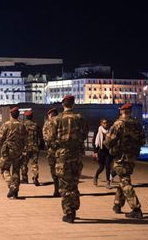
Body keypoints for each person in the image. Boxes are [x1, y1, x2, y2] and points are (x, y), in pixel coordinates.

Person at [45, 95, 88, 223]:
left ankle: (69, 212)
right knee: (74, 183)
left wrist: (58, 146)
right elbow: (85, 134)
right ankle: (74, 207)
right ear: (73, 104)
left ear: (63, 104)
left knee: (64, 184)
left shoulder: (57, 119)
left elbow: (50, 138)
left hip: (62, 156)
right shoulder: (79, 118)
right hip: (76, 155)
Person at [104, 103, 146, 219]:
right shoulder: (137, 124)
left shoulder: (118, 124)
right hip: (132, 156)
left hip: (120, 156)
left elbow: (108, 141)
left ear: (121, 112)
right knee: (124, 178)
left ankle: (136, 208)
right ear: (130, 112)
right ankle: (117, 204)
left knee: (125, 180)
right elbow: (142, 140)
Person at [0, 106, 27, 199]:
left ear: (10, 114)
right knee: (16, 170)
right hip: (18, 151)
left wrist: (1, 146)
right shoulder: (22, 125)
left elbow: (0, 139)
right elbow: (25, 140)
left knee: (4, 169)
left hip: (7, 151)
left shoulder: (6, 124)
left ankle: (11, 185)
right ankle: (15, 193)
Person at [21, 110, 42, 186]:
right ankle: (35, 178)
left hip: (25, 148)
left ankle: (24, 178)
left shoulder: (23, 125)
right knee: (34, 164)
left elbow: (20, 136)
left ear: (26, 117)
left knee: (24, 163)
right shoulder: (36, 125)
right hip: (35, 147)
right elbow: (40, 136)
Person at [43, 107, 60, 197]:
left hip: (52, 150)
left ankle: (56, 189)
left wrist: (52, 143)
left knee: (53, 170)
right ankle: (62, 189)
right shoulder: (61, 121)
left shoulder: (47, 123)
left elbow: (45, 136)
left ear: (49, 115)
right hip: (61, 150)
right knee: (62, 170)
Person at [92, 118, 114, 189]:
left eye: (106, 123)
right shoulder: (98, 131)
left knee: (108, 166)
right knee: (101, 167)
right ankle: (96, 176)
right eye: (104, 123)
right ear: (101, 124)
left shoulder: (109, 131)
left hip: (108, 151)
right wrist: (95, 152)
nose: (105, 124)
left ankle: (108, 182)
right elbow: (94, 142)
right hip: (100, 151)